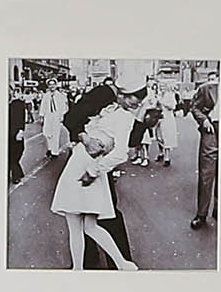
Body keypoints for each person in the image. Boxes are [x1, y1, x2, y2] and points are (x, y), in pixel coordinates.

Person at [61, 81, 134, 267]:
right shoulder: (104, 94)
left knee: (89, 218)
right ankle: (112, 263)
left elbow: (130, 141)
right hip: (88, 161)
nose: (138, 101)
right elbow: (71, 118)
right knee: (94, 217)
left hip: (97, 163)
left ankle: (104, 263)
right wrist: (86, 139)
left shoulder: (125, 110)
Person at [49, 125, 137, 269]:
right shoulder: (114, 120)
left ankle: (83, 267)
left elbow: (73, 119)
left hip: (81, 168)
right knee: (88, 226)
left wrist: (84, 138)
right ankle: (118, 263)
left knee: (80, 227)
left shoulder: (107, 119)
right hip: (89, 169)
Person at [188, 81, 219, 230]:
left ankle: (218, 208)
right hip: (212, 129)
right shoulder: (207, 88)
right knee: (206, 173)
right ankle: (201, 214)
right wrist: (204, 120)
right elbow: (194, 107)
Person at [7, 89, 29, 186]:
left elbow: (21, 118)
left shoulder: (18, 104)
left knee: (17, 151)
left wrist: (21, 130)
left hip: (15, 132)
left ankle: (17, 173)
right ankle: (16, 174)